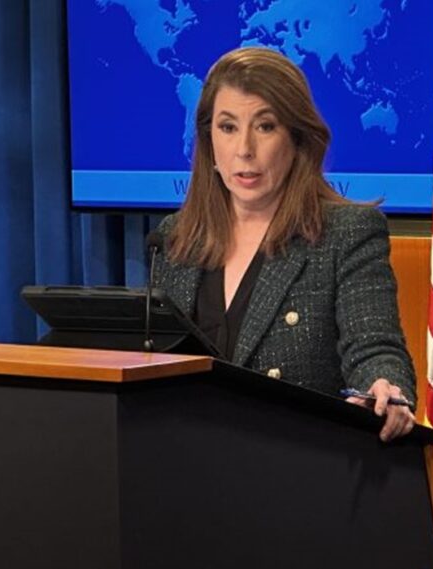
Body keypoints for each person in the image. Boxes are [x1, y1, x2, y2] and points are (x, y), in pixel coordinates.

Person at [152, 47, 417, 441]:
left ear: (297, 140)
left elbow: (374, 347)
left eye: (265, 126)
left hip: (299, 457)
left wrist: (384, 387)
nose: (244, 149)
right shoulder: (175, 239)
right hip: (188, 459)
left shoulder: (346, 233)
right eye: (228, 127)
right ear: (209, 142)